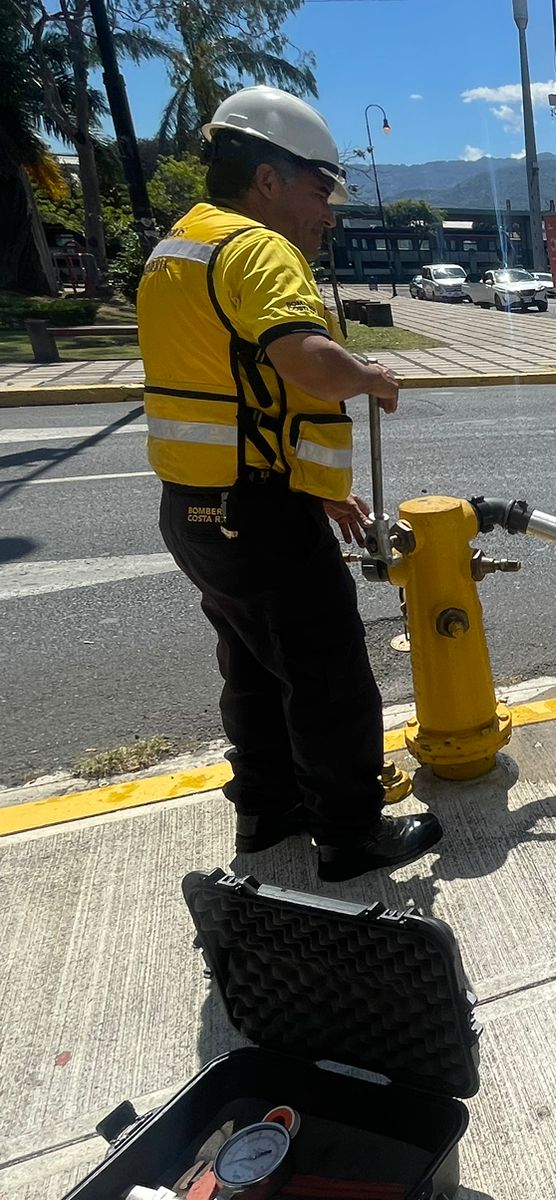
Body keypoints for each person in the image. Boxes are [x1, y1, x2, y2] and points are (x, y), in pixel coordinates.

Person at [138, 85, 442, 883]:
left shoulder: (178, 249)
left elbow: (237, 394)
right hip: (258, 517)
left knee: (253, 666)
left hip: (196, 512)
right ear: (268, 179)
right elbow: (301, 360)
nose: (328, 211)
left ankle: (268, 815)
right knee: (329, 676)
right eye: (319, 187)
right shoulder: (256, 248)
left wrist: (318, 489)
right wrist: (371, 374)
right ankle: (348, 836)